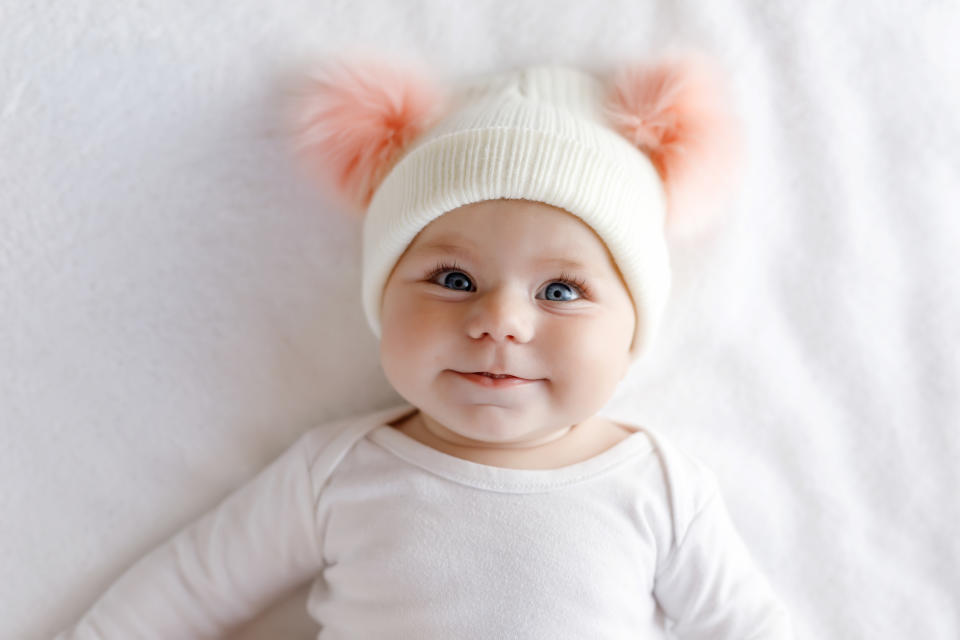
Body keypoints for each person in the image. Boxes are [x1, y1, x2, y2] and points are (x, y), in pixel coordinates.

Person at [56, 49, 793, 638]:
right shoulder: (336, 473)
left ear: (634, 327)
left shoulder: (659, 489)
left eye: (560, 292)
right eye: (452, 278)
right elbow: (190, 586)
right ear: (383, 297)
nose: (501, 321)